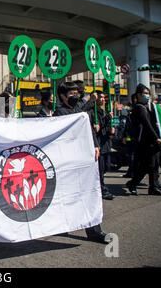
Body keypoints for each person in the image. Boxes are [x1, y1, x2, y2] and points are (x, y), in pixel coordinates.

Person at [54, 81, 109, 244]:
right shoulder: (59, 113)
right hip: (69, 161)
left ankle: (95, 231)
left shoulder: (79, 109)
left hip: (85, 159)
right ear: (63, 96)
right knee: (67, 195)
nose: (76, 96)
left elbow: (88, 129)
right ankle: (62, 225)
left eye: (77, 93)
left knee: (89, 193)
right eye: (71, 94)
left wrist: (96, 145)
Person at [126, 84, 161, 196]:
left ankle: (149, 186)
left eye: (148, 93)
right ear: (139, 95)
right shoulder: (139, 108)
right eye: (145, 93)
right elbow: (147, 125)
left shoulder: (145, 107)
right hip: (146, 142)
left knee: (151, 165)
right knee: (149, 166)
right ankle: (138, 185)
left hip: (149, 141)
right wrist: (156, 138)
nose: (147, 96)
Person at [90, 91, 115, 200]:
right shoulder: (92, 112)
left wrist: (112, 130)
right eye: (100, 97)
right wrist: (106, 119)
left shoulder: (105, 111)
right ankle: (102, 189)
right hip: (98, 143)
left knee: (106, 167)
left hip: (106, 144)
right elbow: (96, 128)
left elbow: (108, 127)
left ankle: (99, 185)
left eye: (104, 97)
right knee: (100, 168)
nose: (103, 99)